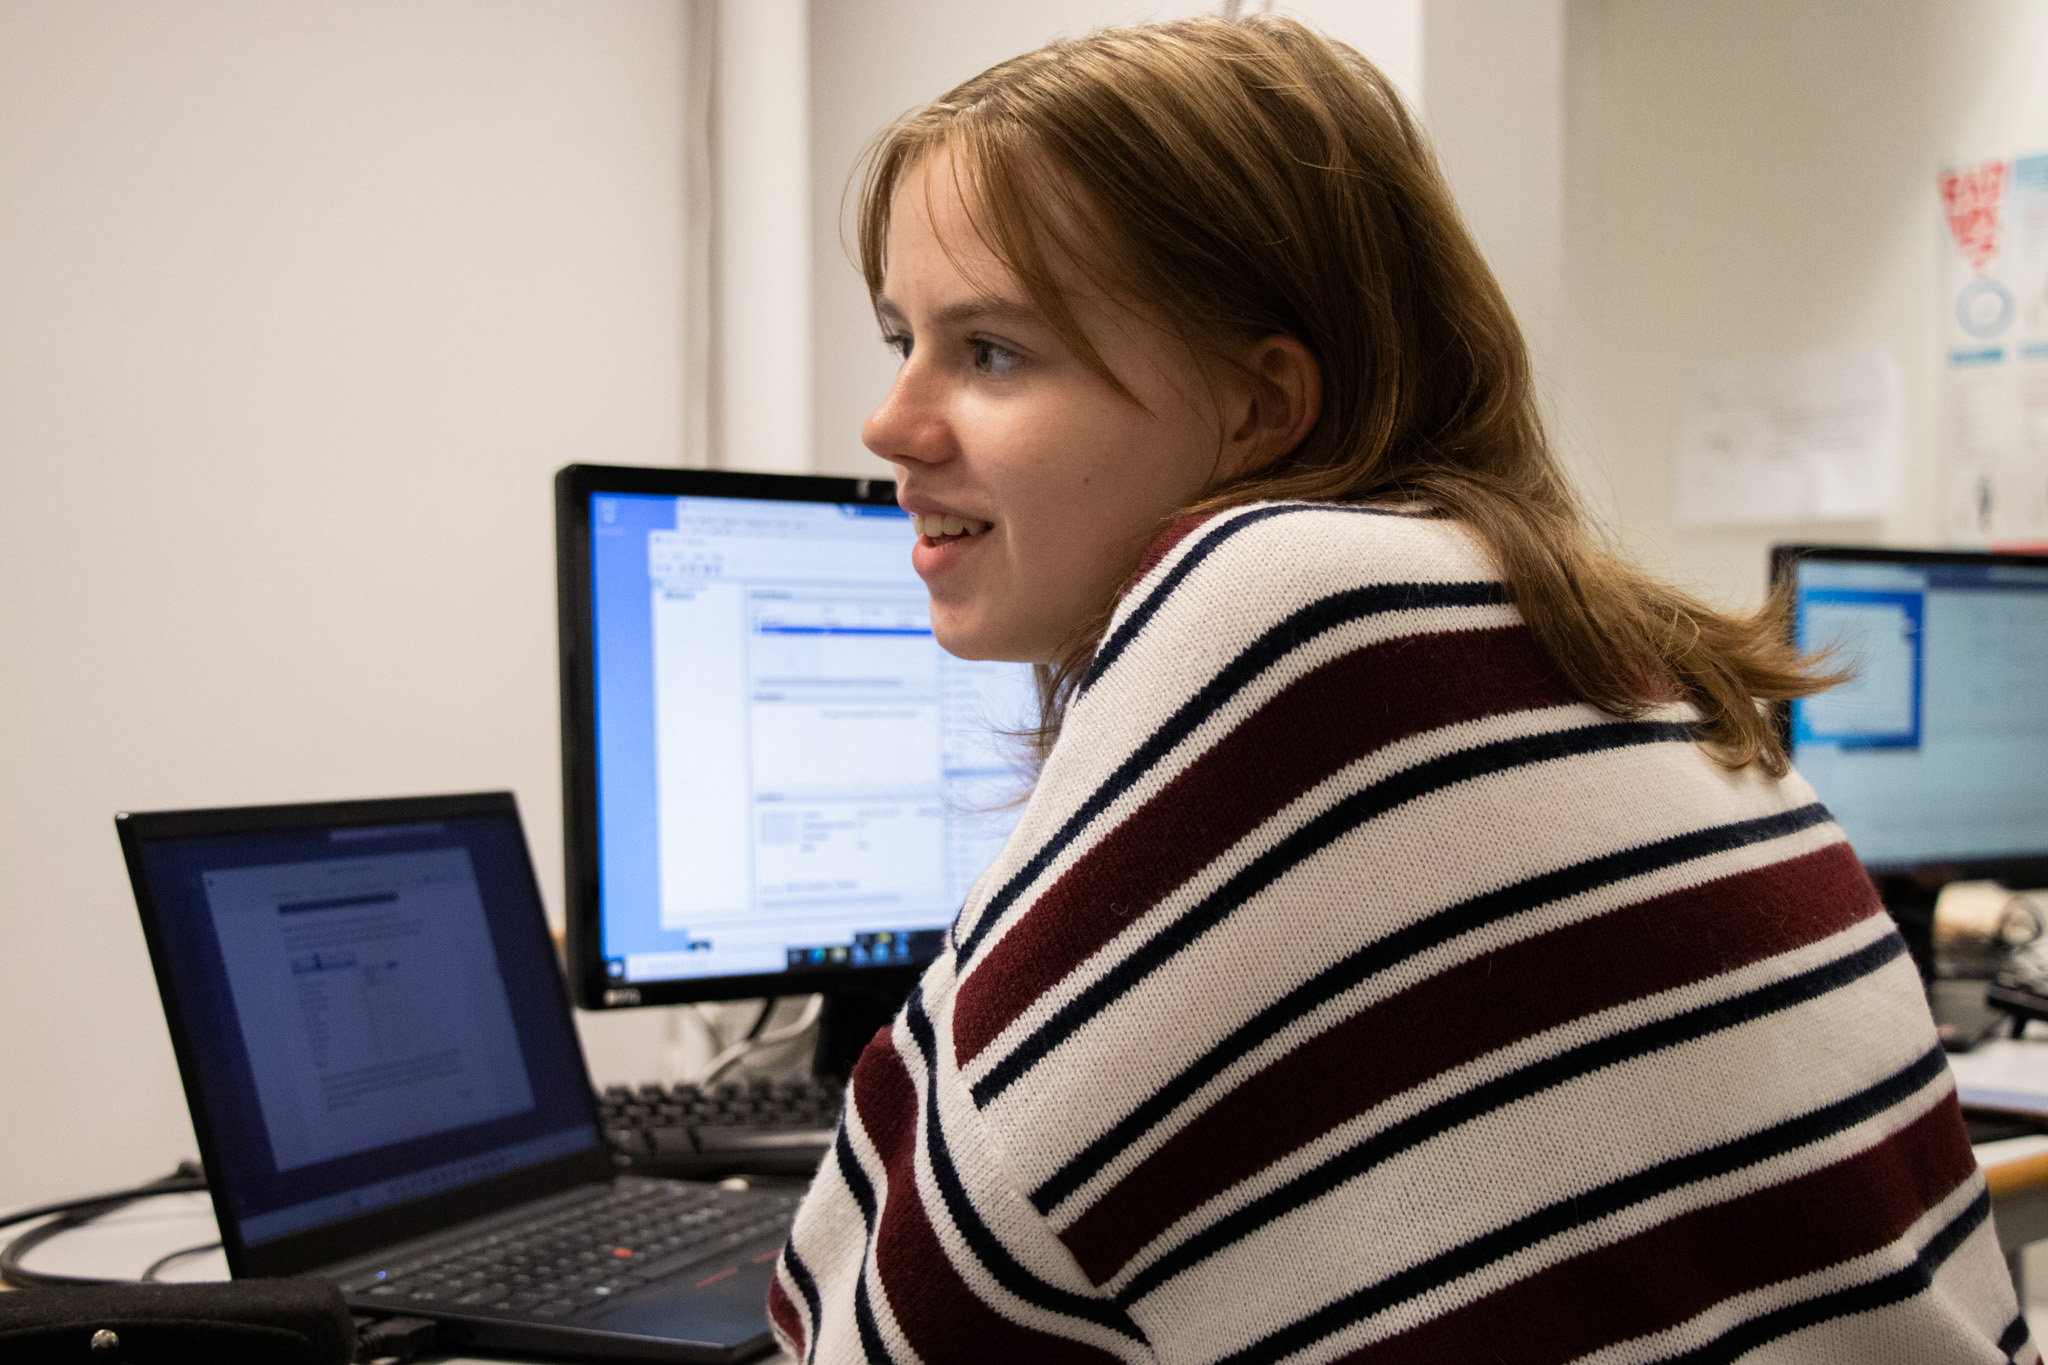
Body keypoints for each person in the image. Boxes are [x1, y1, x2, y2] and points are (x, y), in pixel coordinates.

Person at [769, 15, 2028, 1363]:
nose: (891, 425)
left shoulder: (1297, 612)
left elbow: (886, 1321)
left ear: (1261, 406)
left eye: (993, 351)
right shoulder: (1586, 634)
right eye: (902, 337)